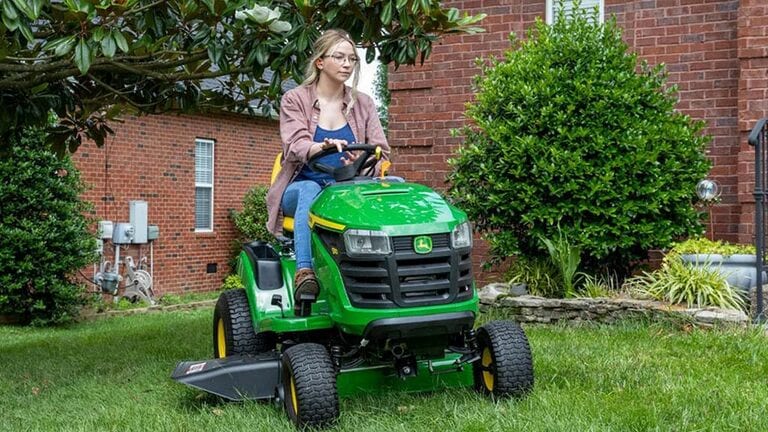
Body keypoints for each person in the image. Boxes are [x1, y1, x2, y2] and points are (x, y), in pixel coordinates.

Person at [265, 29, 390, 315]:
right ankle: (305, 274)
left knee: (399, 187)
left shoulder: (364, 103)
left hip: (349, 188)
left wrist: (364, 155)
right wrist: (320, 147)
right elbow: (295, 145)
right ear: (320, 62)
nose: (347, 64)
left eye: (352, 59)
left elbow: (382, 148)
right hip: (302, 186)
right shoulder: (295, 100)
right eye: (339, 57)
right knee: (311, 191)